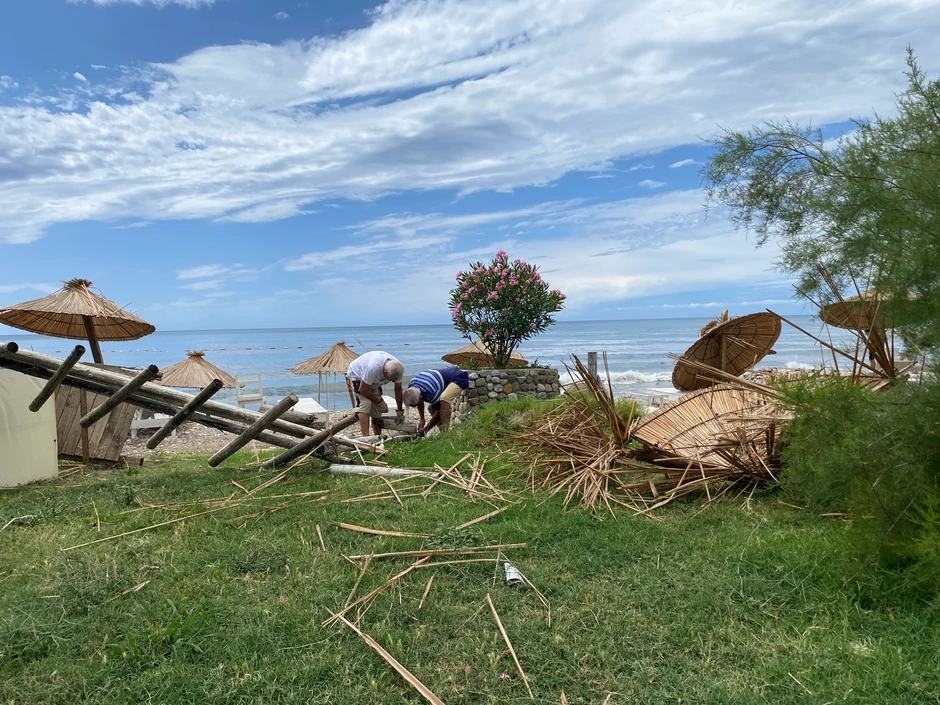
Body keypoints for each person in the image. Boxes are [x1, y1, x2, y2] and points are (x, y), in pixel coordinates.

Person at [345, 351, 405, 436]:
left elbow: (398, 389)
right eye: (390, 379)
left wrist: (399, 411)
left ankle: (378, 436)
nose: (392, 381)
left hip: (373, 380)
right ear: (385, 372)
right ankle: (366, 437)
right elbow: (363, 389)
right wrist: (380, 402)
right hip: (357, 375)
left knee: (376, 409)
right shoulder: (373, 367)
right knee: (366, 404)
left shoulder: (398, 369)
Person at [402, 367, 470, 437]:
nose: (417, 406)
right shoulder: (412, 386)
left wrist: (426, 430)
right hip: (440, 379)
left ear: (421, 396)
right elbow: (420, 402)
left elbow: (439, 411)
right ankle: (442, 431)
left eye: (416, 405)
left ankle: (446, 434)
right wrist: (422, 419)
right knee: (430, 409)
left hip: (459, 378)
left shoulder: (431, 392)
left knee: (444, 400)